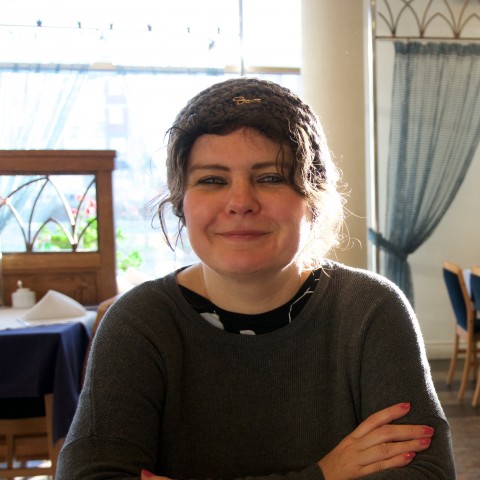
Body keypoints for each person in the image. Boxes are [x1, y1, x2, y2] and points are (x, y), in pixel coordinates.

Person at [56, 77, 456, 480]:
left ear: (312, 199)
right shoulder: (139, 321)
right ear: (181, 202)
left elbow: (426, 474)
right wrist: (322, 474)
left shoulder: (370, 309)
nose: (240, 203)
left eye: (270, 178)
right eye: (212, 180)